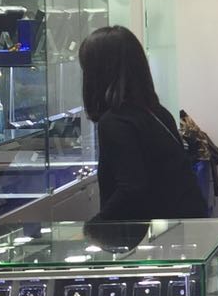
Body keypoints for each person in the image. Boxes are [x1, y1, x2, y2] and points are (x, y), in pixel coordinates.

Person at [79, 25, 206, 222]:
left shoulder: (115, 122)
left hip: (151, 229)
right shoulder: (156, 112)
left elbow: (132, 187)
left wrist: (95, 226)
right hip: (180, 223)